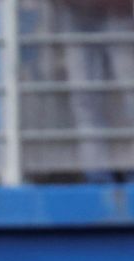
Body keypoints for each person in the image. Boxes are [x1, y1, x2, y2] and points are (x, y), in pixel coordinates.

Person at [53, 0, 134, 180]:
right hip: (76, 15)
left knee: (129, 92)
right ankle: (97, 174)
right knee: (85, 98)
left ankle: (126, 169)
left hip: (120, 13)